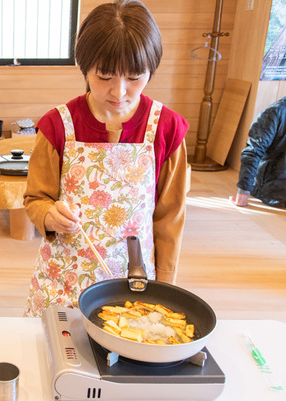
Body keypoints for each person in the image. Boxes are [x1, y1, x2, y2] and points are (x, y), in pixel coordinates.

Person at [23, 0, 189, 317]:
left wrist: (165, 289)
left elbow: (170, 219)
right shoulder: (58, 125)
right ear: (85, 67)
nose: (119, 92)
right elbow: (35, 198)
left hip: (134, 284)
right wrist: (49, 215)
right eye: (104, 76)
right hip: (64, 280)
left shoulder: (166, 128)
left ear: (151, 69)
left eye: (134, 77)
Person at [230, 97, 286, 208]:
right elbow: (254, 152)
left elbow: (253, 151)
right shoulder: (275, 112)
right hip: (273, 191)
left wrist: (243, 192)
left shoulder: (275, 111)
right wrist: (244, 190)